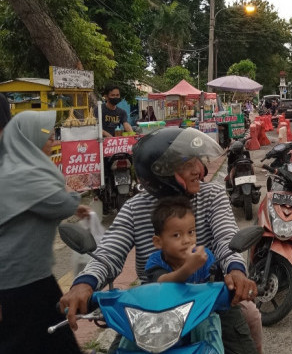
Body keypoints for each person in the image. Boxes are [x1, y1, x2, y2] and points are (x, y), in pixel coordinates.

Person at [59, 127, 262, 354]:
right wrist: (84, 283)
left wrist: (236, 270)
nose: (199, 169)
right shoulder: (134, 208)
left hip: (209, 301)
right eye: (187, 164)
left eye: (197, 161)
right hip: (151, 308)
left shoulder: (212, 196)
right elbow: (108, 253)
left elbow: (227, 238)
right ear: (161, 175)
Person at [0, 110, 90, 354]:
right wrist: (72, 193)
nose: (54, 140)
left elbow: (44, 207)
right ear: (29, 140)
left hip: (29, 275)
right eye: (48, 136)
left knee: (52, 338)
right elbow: (58, 203)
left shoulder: (15, 169)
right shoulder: (25, 174)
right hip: (22, 281)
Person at [117, 196, 224, 353]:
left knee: (211, 320)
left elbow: (218, 285)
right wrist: (189, 268)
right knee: (130, 331)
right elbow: (162, 282)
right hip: (158, 320)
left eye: (191, 232)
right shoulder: (156, 261)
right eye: (177, 235)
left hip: (195, 317)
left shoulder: (206, 258)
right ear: (158, 242)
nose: (187, 240)